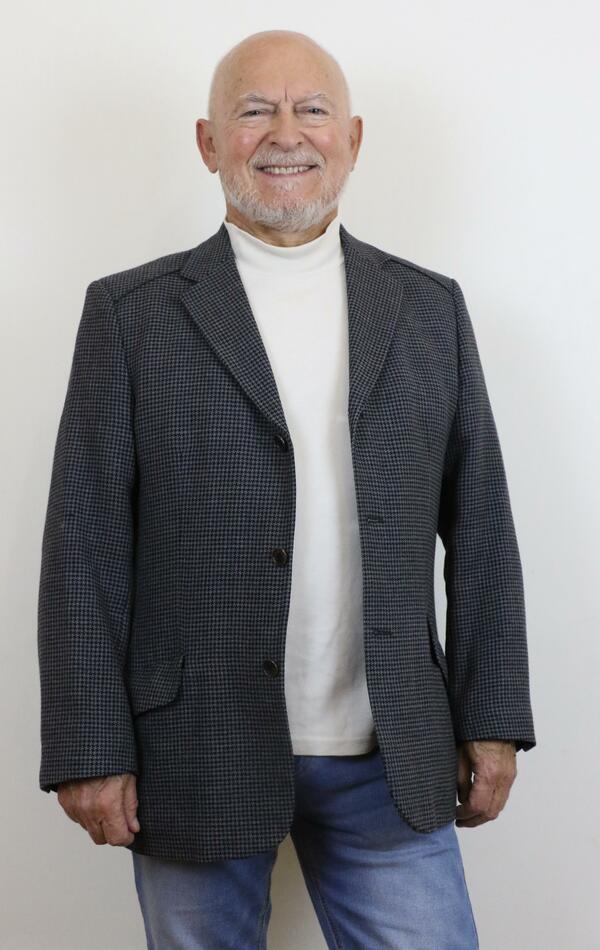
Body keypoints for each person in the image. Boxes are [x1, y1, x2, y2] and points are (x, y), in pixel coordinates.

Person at [37, 28, 536, 949]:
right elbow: (84, 545)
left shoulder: (429, 309)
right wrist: (89, 747)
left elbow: (483, 531)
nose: (285, 133)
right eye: (253, 111)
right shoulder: (131, 315)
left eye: (311, 110)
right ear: (208, 141)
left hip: (393, 754)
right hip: (194, 750)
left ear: (353, 138)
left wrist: (493, 717)